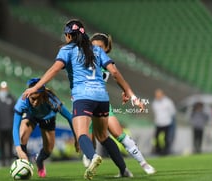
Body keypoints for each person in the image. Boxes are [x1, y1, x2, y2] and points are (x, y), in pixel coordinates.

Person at [22, 19, 144, 180]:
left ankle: (92, 156)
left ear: (68, 35)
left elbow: (54, 69)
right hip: (102, 98)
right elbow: (114, 72)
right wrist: (128, 92)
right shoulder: (96, 50)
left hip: (83, 97)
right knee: (104, 136)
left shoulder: (67, 50)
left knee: (81, 134)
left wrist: (35, 87)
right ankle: (124, 170)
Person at [82, 33, 155, 175]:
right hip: (87, 101)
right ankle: (90, 156)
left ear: (107, 48)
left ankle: (143, 163)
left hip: (101, 102)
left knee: (117, 134)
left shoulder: (106, 62)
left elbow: (117, 77)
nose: (96, 49)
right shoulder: (85, 59)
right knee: (89, 134)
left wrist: (130, 95)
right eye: (93, 46)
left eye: (100, 47)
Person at [13, 78, 76, 178]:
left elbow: (69, 117)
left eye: (38, 98)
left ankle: (39, 160)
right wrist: (18, 149)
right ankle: (24, 165)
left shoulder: (52, 100)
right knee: (22, 135)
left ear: (43, 95)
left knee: (49, 149)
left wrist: (77, 139)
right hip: (31, 115)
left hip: (48, 118)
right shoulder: (23, 101)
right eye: (33, 99)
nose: (35, 102)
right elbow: (15, 127)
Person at [0, 81, 15, 166]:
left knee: (10, 143)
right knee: (1, 144)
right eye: (2, 88)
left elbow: (15, 112)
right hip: (0, 126)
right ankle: (3, 160)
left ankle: (10, 160)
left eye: (5, 88)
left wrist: (15, 123)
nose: (4, 90)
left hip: (10, 125)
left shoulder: (11, 98)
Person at [152, 88, 176, 155]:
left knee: (166, 138)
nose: (157, 96)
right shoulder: (155, 102)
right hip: (158, 123)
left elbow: (172, 112)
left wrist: (167, 118)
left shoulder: (168, 102)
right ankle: (158, 150)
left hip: (166, 123)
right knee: (156, 137)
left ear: (162, 94)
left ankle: (166, 151)